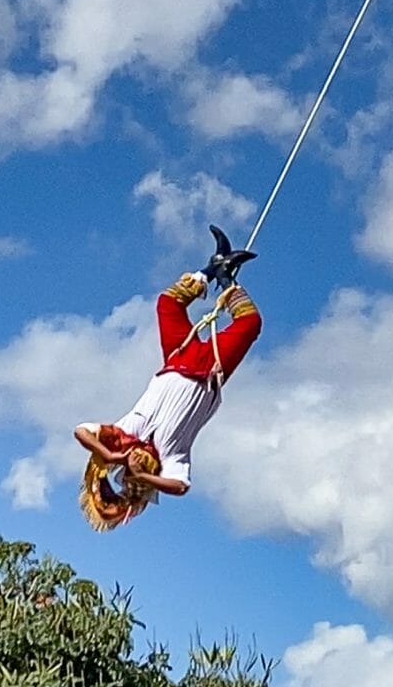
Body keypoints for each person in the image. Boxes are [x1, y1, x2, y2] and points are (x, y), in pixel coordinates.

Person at [74, 226, 261, 530]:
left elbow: (81, 431)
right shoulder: (171, 456)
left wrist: (112, 456)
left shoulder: (126, 435)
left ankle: (213, 267)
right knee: (250, 323)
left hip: (176, 358)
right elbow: (180, 487)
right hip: (209, 371)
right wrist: (147, 477)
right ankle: (227, 278)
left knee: (168, 304)